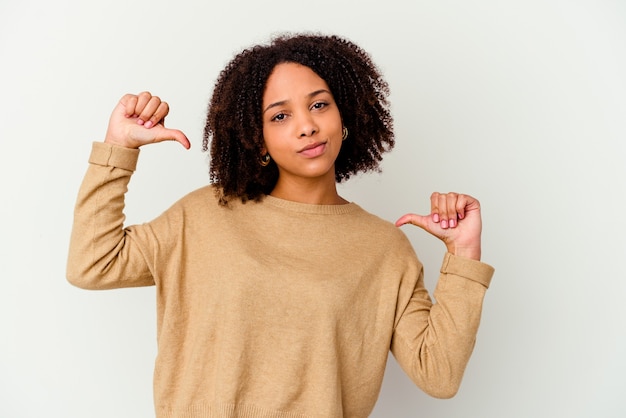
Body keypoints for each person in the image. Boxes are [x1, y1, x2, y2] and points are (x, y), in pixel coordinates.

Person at [67, 33, 494, 418]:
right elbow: (92, 263)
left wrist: (463, 258)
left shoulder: (383, 248)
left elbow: (439, 375)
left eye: (319, 104)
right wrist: (117, 149)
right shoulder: (202, 216)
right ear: (259, 138)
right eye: (279, 116)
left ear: (344, 116)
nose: (307, 125)